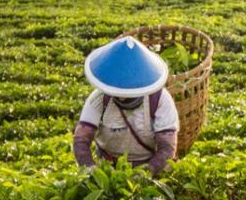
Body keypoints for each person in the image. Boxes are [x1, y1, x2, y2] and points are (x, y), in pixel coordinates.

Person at [72, 36, 179, 175]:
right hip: (108, 166)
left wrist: (146, 172)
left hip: (148, 166)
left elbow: (167, 147)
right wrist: (91, 168)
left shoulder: (159, 99)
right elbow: (81, 139)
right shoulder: (99, 98)